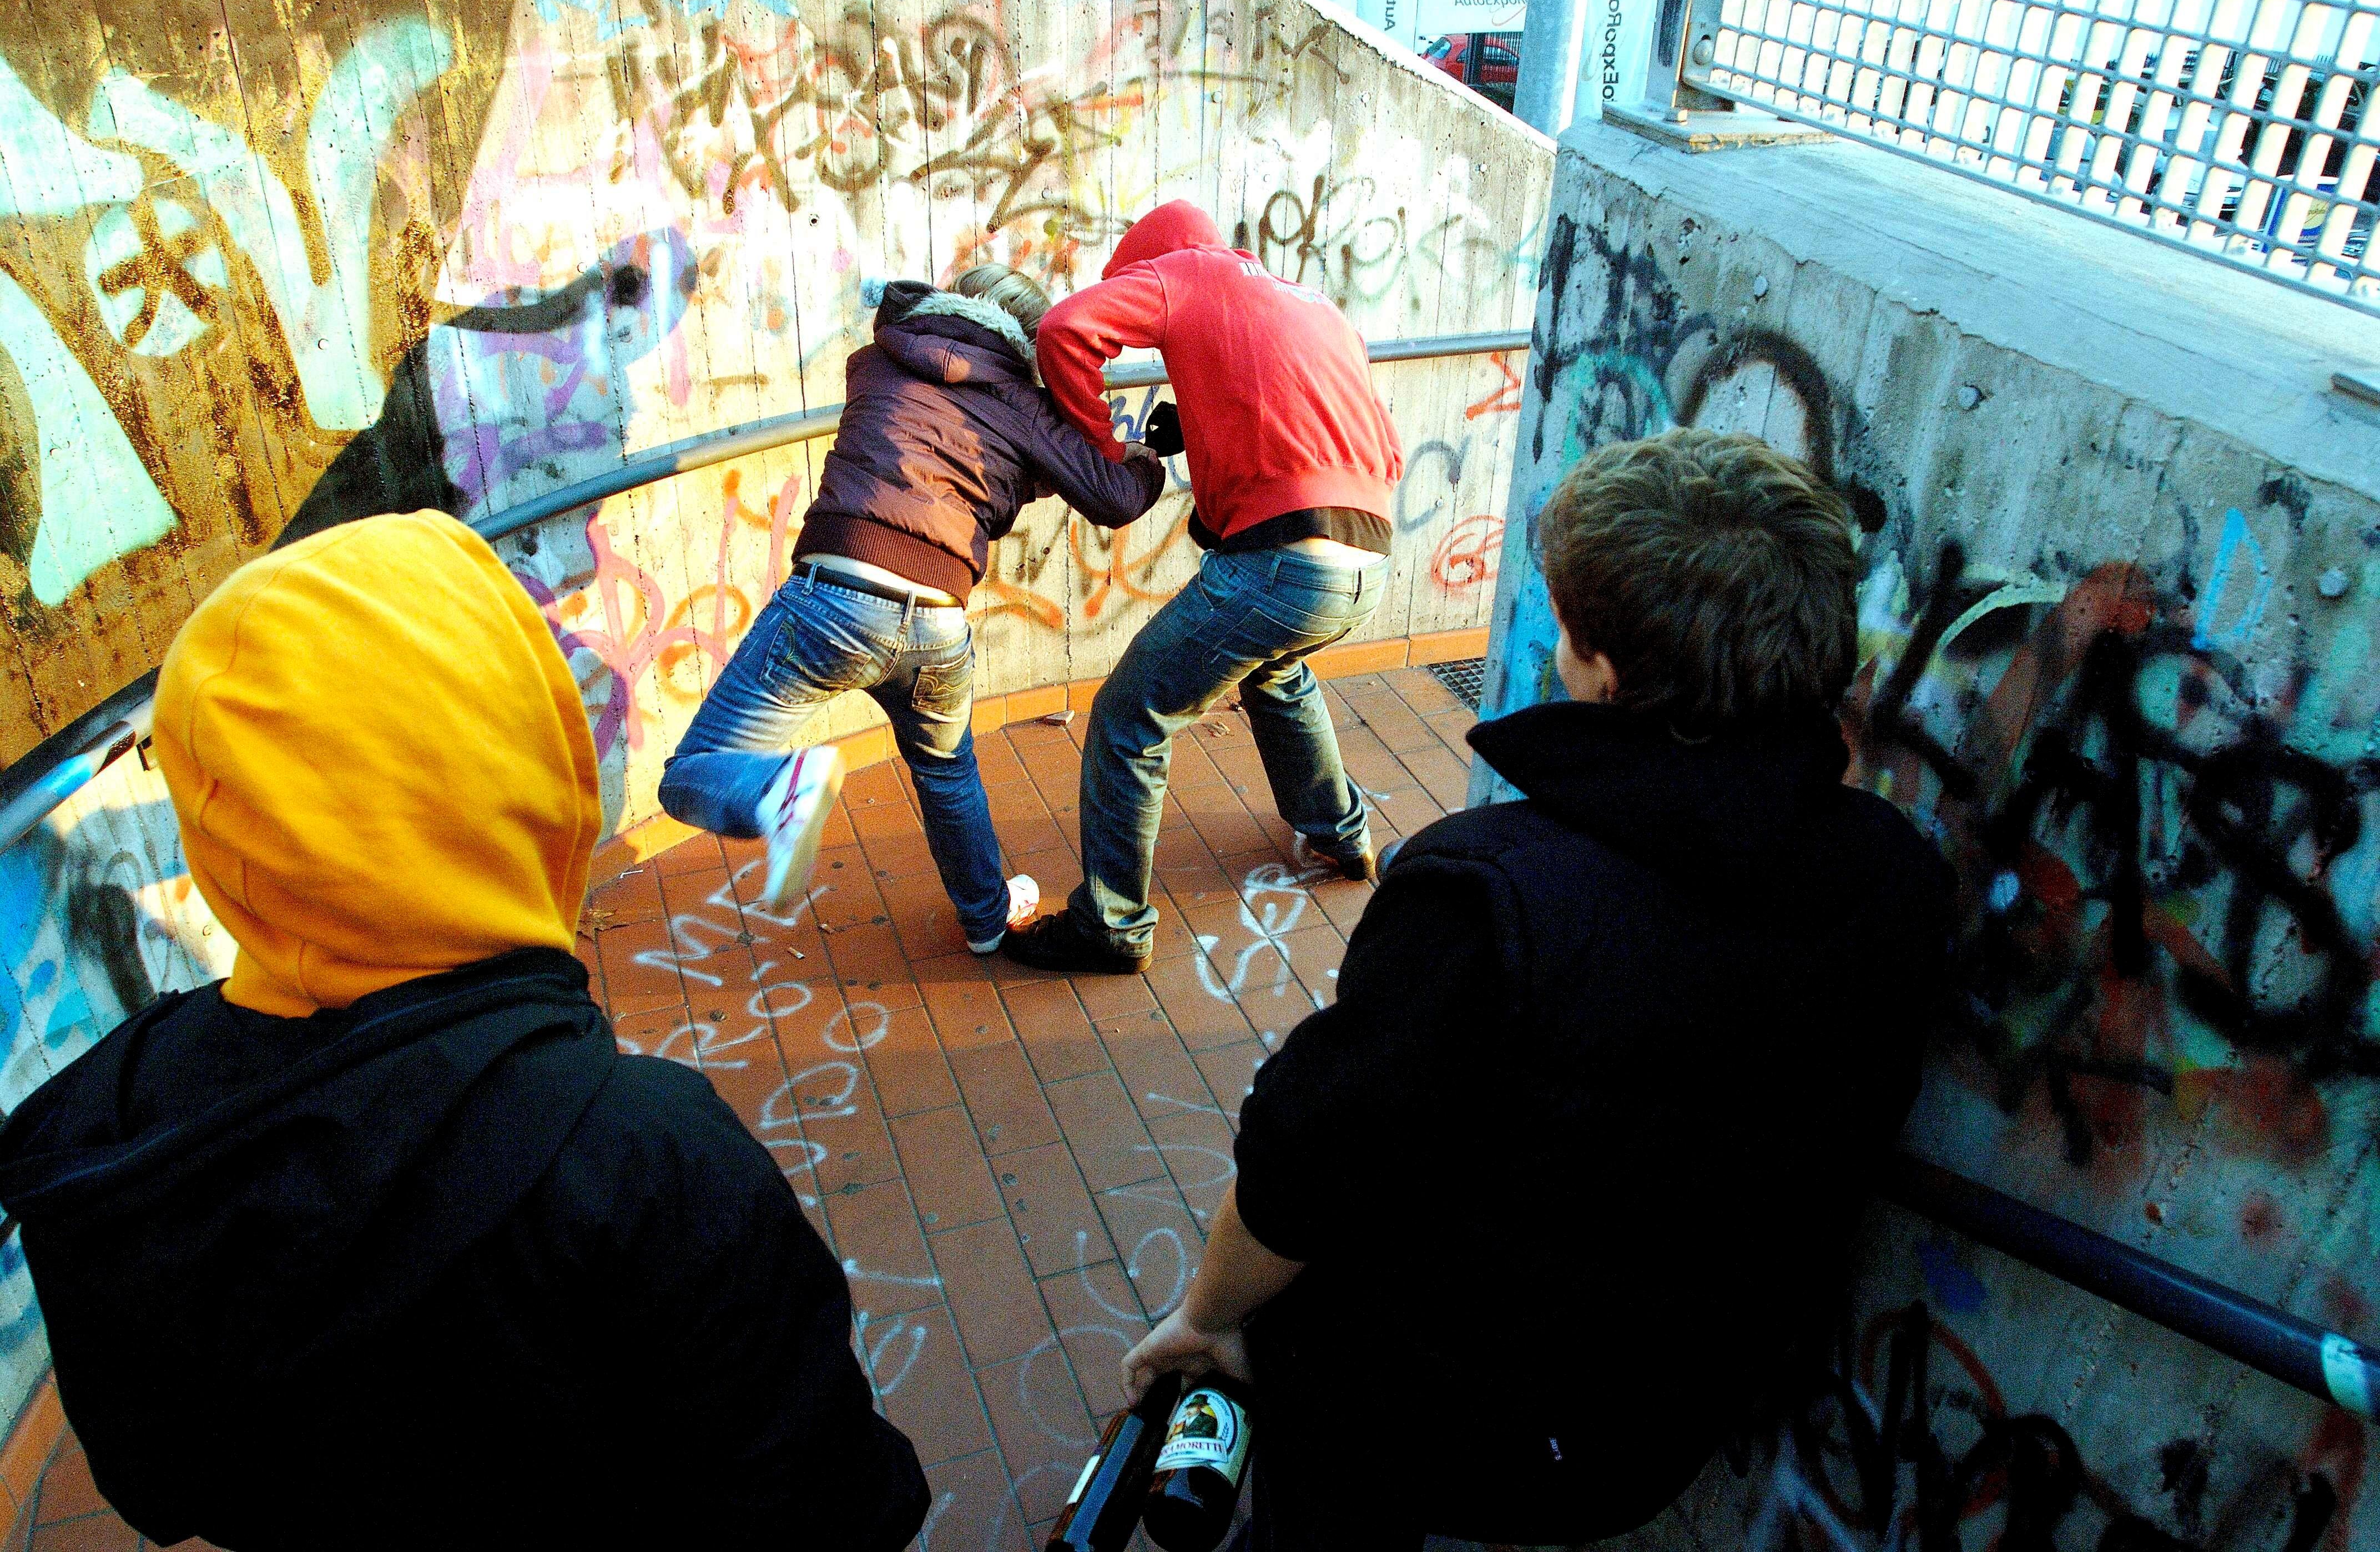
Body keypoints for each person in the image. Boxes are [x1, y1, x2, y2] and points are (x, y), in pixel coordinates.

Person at [0, 512, 929, 1550]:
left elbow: (154, 1486)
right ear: (512, 757)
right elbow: (836, 1507)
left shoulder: (104, 1130)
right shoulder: (648, 1159)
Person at [1116, 430, 1957, 1546]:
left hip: (1428, 1419)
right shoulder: (1897, 876)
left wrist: (1206, 1316)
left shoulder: (1489, 893)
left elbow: (1308, 1157)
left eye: (1564, 623)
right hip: (1661, 1418)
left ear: (1602, 669)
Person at [658, 265, 1168, 949]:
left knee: (691, 773)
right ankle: (987, 922)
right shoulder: (1022, 406)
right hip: (936, 621)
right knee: (945, 769)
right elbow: (1109, 494)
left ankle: (784, 791)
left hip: (831, 601)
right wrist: (1146, 457)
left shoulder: (878, 360)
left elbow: (932, 437)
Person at [1001, 201, 1403, 975]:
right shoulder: (1309, 304)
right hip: (1368, 563)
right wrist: (1210, 430)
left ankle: (1110, 927)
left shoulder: (1183, 270)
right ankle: (1341, 832)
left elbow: (1063, 332)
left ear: (1156, 264)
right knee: (1276, 670)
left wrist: (1100, 447)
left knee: (1128, 716)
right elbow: (1368, 449)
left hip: (1286, 565)